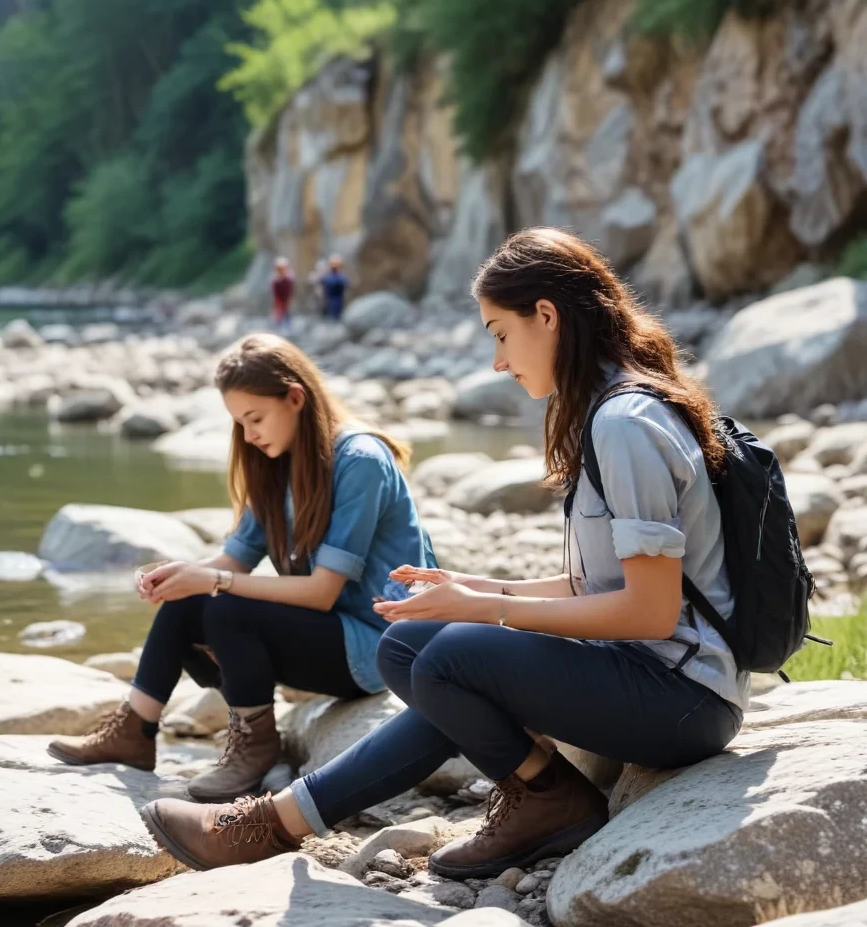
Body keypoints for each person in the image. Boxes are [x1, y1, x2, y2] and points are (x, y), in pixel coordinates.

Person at [137, 226, 748, 878]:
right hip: (644, 672)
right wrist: (472, 588)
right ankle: (540, 794)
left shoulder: (624, 425)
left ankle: (282, 823)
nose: (498, 361)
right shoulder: (611, 413)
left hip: (682, 697)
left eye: (499, 332)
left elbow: (650, 612)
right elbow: (596, 585)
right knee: (410, 644)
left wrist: (487, 610)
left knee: (454, 655)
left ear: (546, 316)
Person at [49, 333, 435, 804]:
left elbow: (321, 593)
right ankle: (135, 728)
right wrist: (177, 575)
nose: (249, 435)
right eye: (240, 423)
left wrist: (214, 580)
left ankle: (255, 750)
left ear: (295, 397)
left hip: (378, 646)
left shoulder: (360, 461)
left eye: (255, 419)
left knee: (229, 609)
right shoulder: (274, 463)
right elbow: (233, 560)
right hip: (327, 635)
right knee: (189, 597)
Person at [320, 254, 348, 320]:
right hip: (330, 301)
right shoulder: (329, 276)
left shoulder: (340, 276)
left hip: (338, 300)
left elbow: (345, 283)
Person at [270, 257, 295, 328]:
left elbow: (291, 288)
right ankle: (278, 325)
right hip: (279, 298)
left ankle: (288, 325)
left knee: (287, 311)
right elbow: (274, 290)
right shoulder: (275, 279)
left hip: (286, 297)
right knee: (279, 312)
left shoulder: (289, 277)